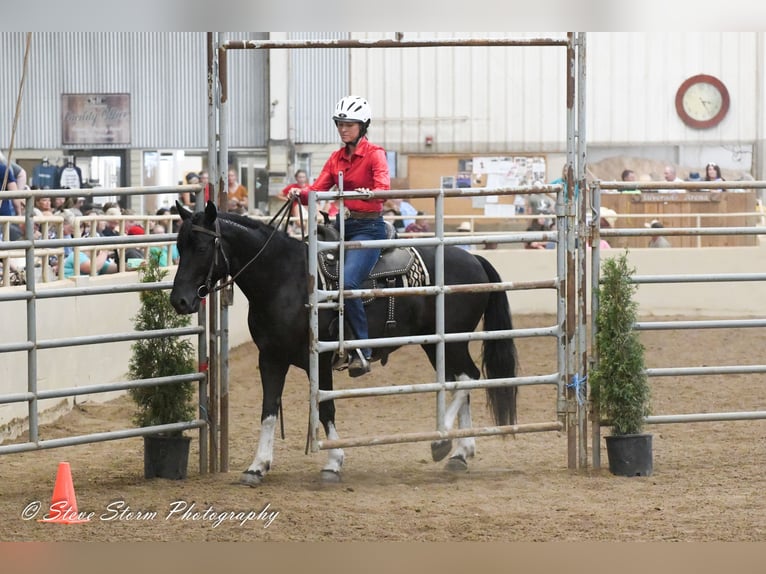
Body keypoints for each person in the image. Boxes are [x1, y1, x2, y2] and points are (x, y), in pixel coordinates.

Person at [290, 95, 389, 377]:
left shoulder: (375, 154)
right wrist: (301, 193)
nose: (343, 129)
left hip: (369, 229)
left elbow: (383, 186)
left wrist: (368, 193)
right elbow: (318, 188)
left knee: (348, 281)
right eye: (340, 124)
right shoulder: (335, 159)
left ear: (362, 125)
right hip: (340, 227)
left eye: (349, 124)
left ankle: (362, 350)